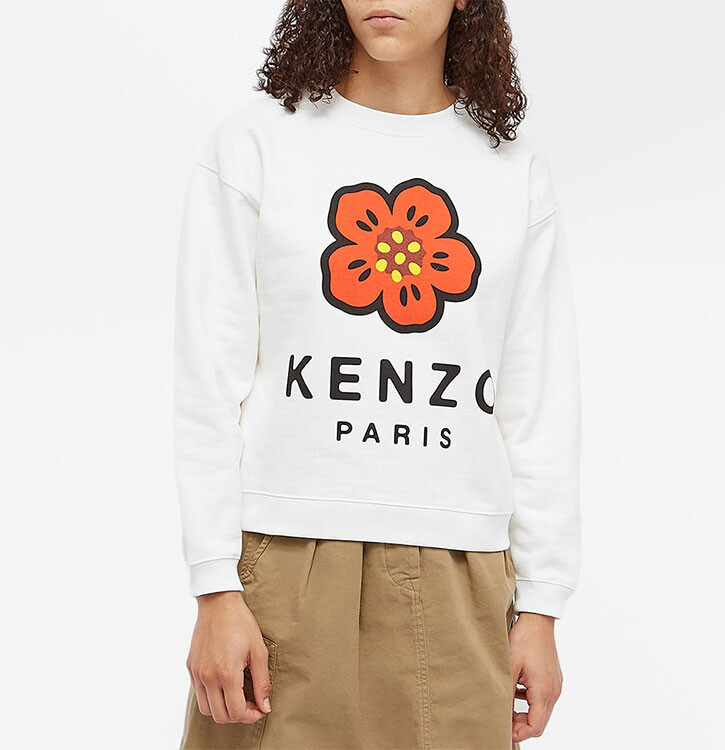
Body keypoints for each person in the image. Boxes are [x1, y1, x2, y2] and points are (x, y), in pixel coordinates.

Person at [175, 1, 580, 747]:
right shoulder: (257, 144)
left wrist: (543, 605)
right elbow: (207, 383)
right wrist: (215, 587)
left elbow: (537, 404)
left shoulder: (512, 172)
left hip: (463, 570)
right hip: (284, 563)